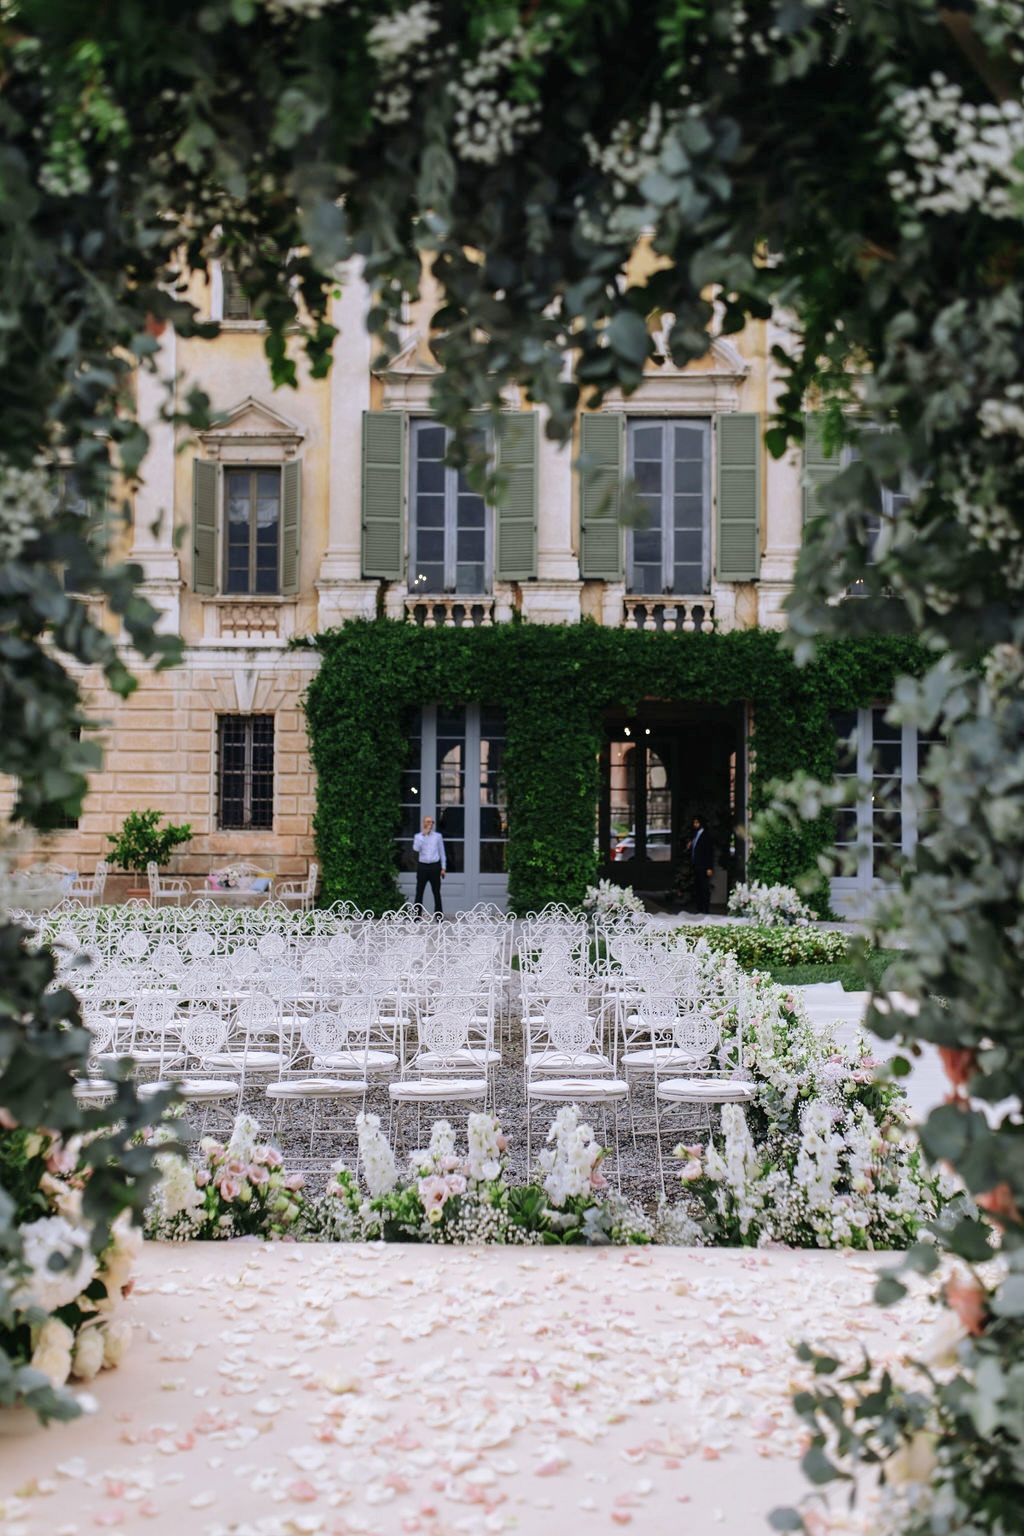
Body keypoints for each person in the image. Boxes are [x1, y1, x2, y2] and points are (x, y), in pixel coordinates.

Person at [412, 814, 446, 918]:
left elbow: (442, 852)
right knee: (419, 891)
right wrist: (424, 835)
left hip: (434, 866)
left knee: (436, 892)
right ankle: (416, 916)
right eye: (427, 821)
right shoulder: (418, 837)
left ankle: (439, 916)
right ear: (423, 823)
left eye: (431, 822)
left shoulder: (437, 836)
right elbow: (416, 849)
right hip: (422, 866)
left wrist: (443, 867)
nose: (429, 824)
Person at [686, 814, 714, 914]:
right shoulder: (696, 834)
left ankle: (705, 909)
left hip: (703, 865)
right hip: (696, 865)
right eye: (694, 823)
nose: (695, 824)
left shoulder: (706, 835)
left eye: (697, 823)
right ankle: (699, 907)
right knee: (698, 887)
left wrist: (709, 867)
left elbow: (709, 852)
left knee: (704, 887)